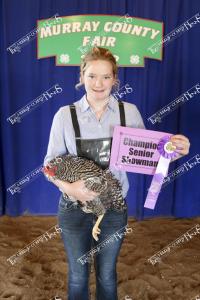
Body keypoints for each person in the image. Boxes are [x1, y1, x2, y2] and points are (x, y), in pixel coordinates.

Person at [43, 47, 190, 300]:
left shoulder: (128, 112)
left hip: (113, 210)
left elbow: (149, 157)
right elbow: (48, 166)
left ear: (115, 79)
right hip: (74, 209)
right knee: (78, 276)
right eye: (91, 76)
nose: (98, 83)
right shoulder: (64, 116)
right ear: (81, 76)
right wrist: (70, 188)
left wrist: (175, 151)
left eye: (106, 77)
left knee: (107, 275)